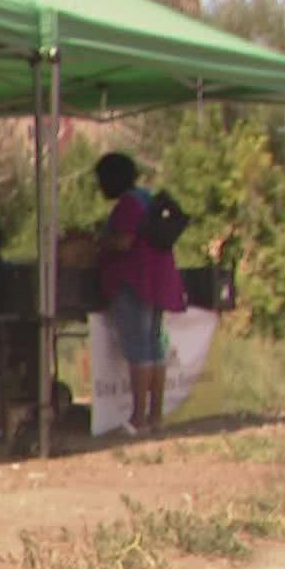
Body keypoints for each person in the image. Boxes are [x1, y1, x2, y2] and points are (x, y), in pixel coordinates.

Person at [94, 152, 187, 436]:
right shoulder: (146, 198)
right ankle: (155, 416)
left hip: (134, 281)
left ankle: (138, 418)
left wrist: (100, 239)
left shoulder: (127, 205)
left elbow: (123, 242)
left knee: (139, 350)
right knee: (155, 349)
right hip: (157, 280)